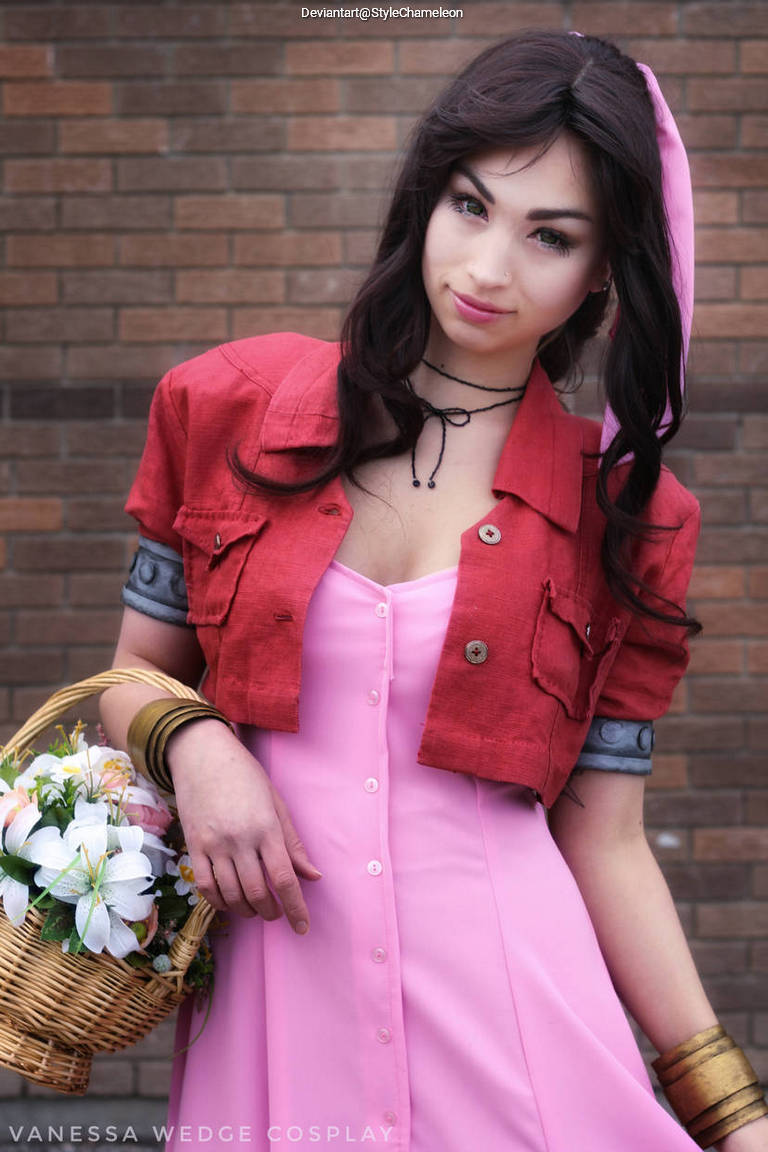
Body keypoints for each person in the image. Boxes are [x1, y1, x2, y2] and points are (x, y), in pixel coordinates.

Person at [100, 29, 768, 1152]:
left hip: (512, 1012)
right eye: (471, 207)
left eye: (549, 236)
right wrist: (200, 746)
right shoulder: (224, 409)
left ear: (605, 270)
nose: (489, 269)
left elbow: (604, 841)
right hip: (274, 1011)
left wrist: (736, 1115)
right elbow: (129, 677)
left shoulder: (634, 518)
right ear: (428, 198)